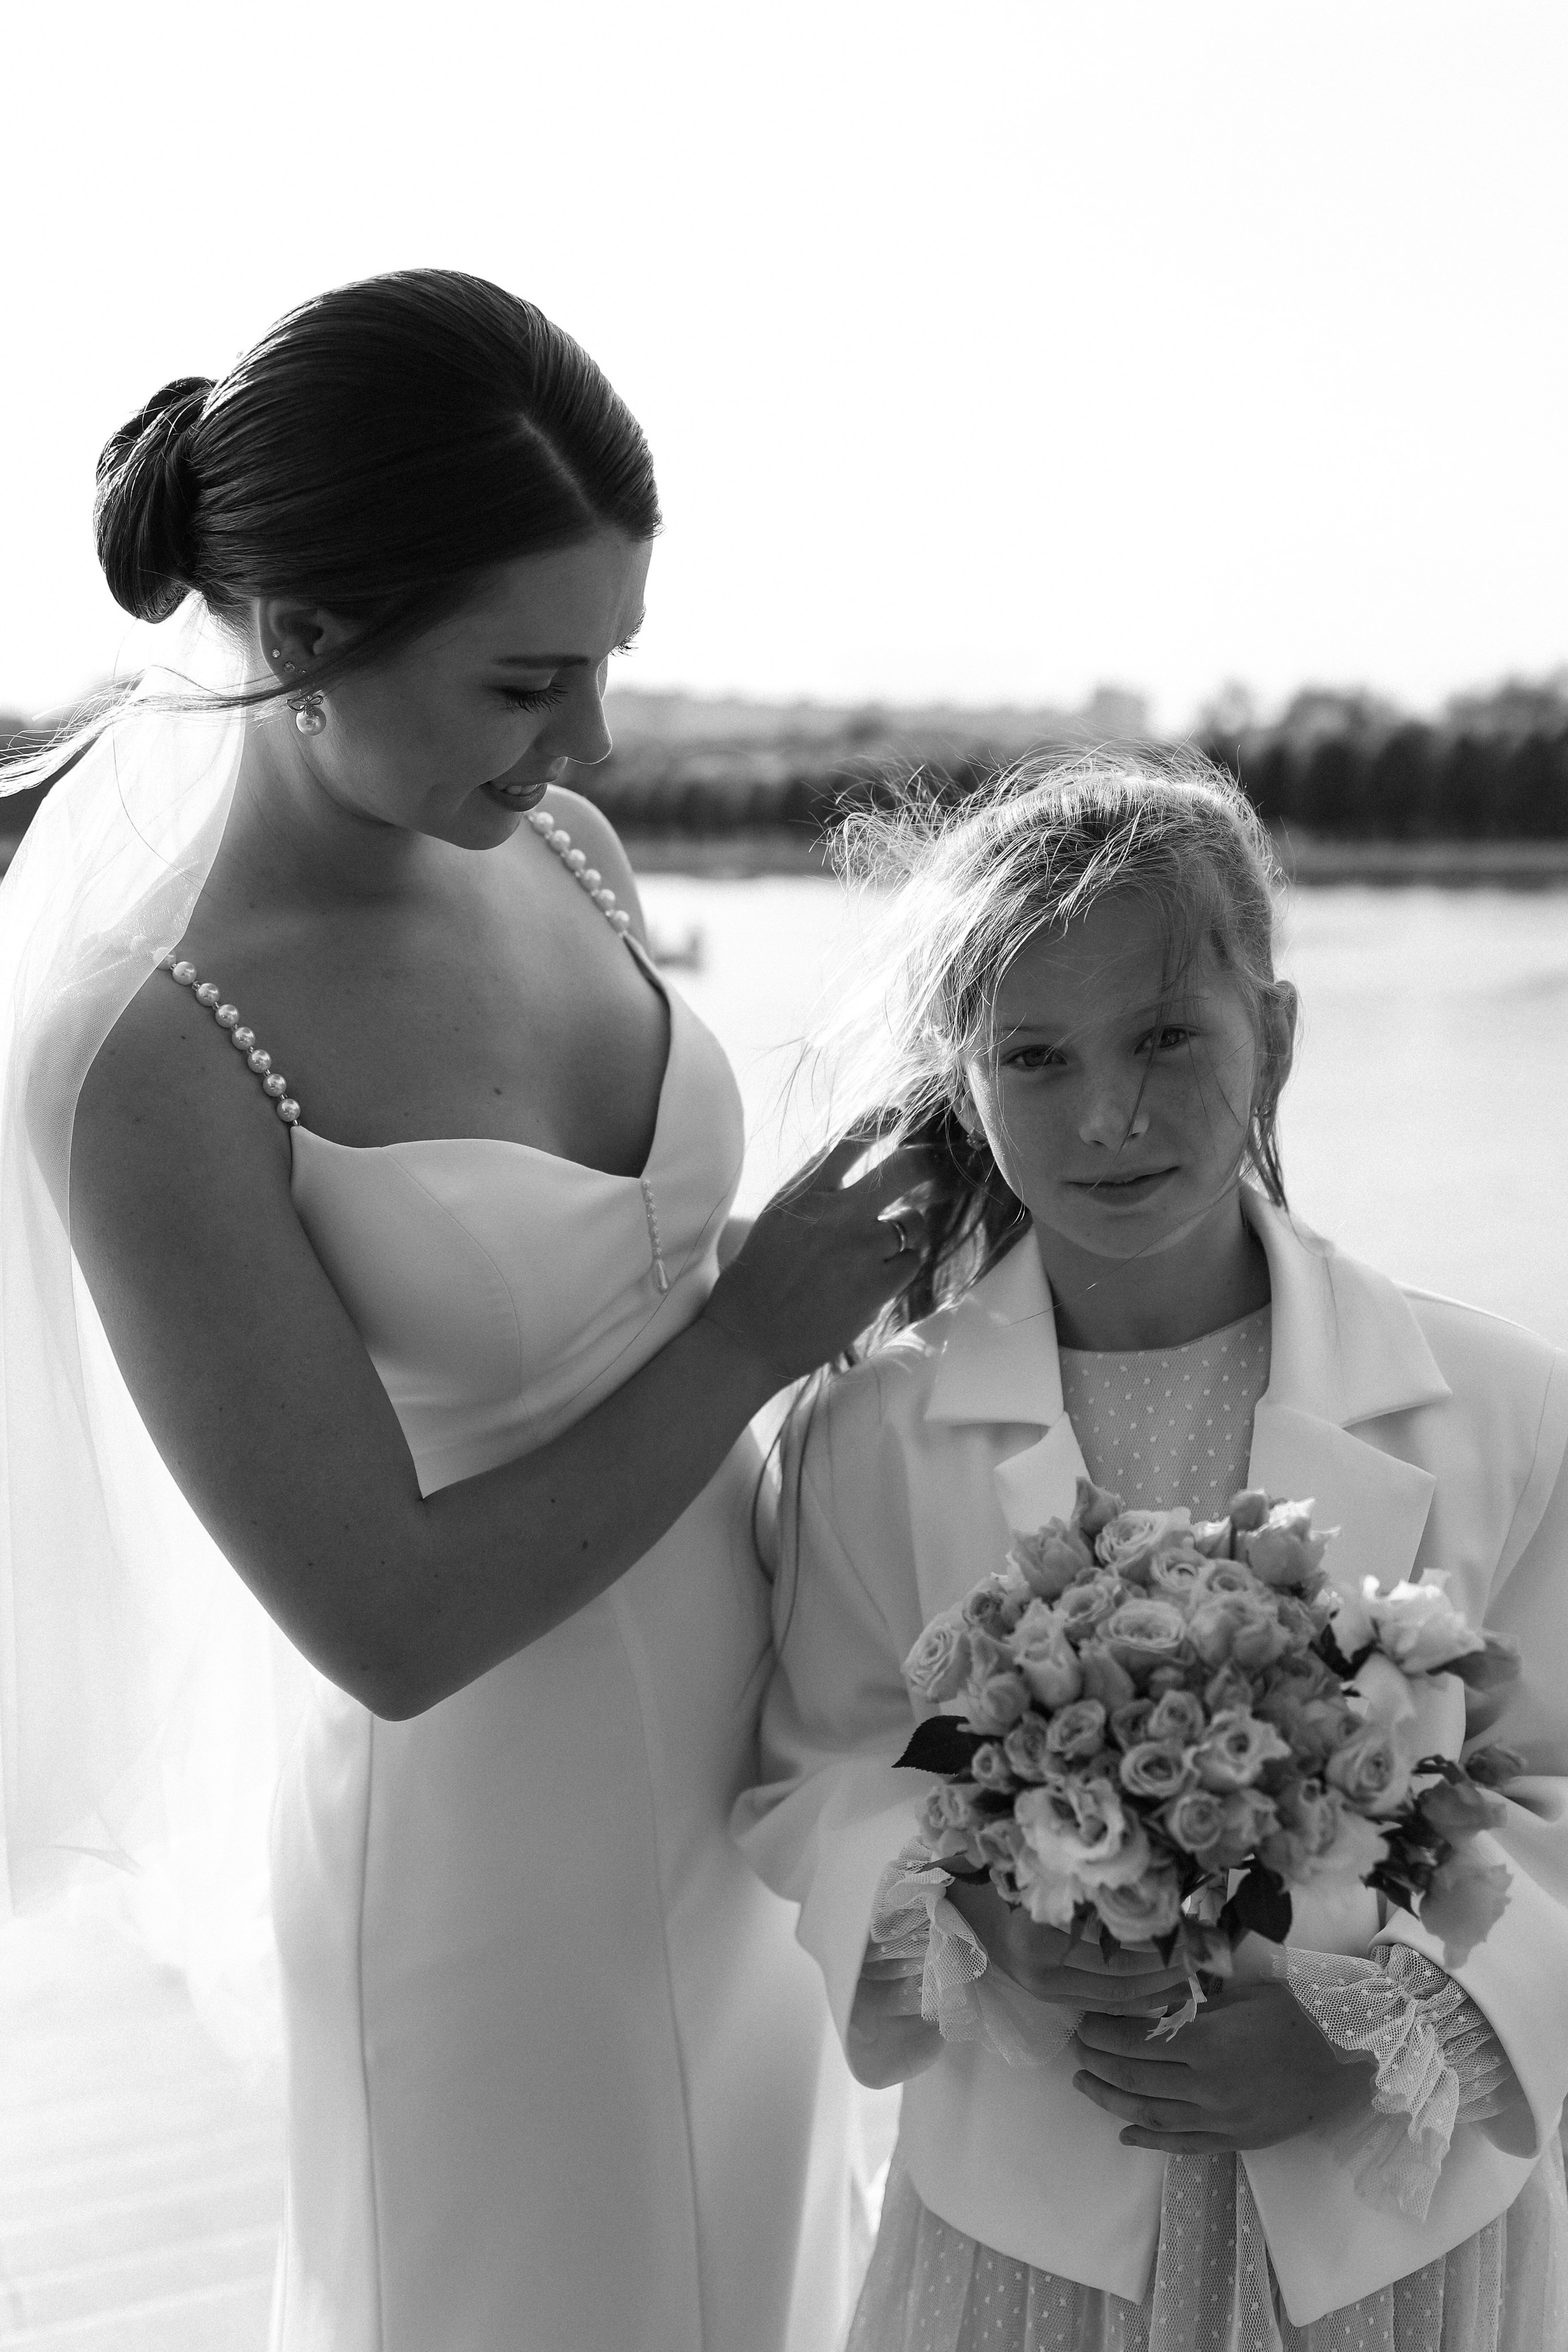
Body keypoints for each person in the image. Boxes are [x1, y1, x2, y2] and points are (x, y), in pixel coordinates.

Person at [0, 270, 930, 2352]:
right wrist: (750, 1336)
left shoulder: (575, 857)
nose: (588, 741)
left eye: (606, 664)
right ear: (310, 641)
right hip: (489, 1863)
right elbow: (384, 1623)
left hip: (762, 1790)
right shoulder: (144, 1051)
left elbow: (690, 1295)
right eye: (525, 680)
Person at [734, 753, 1568, 2350]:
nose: (1109, 1114)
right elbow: (815, 1775)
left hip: (1402, 2240)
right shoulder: (875, 1435)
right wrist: (980, 1916)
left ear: (1280, 1040)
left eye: (1168, 1038)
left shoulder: (1507, 1408)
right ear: (960, 1078)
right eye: (1035, 1055)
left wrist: (1370, 2025)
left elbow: (1561, 1792)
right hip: (1028, 2228)